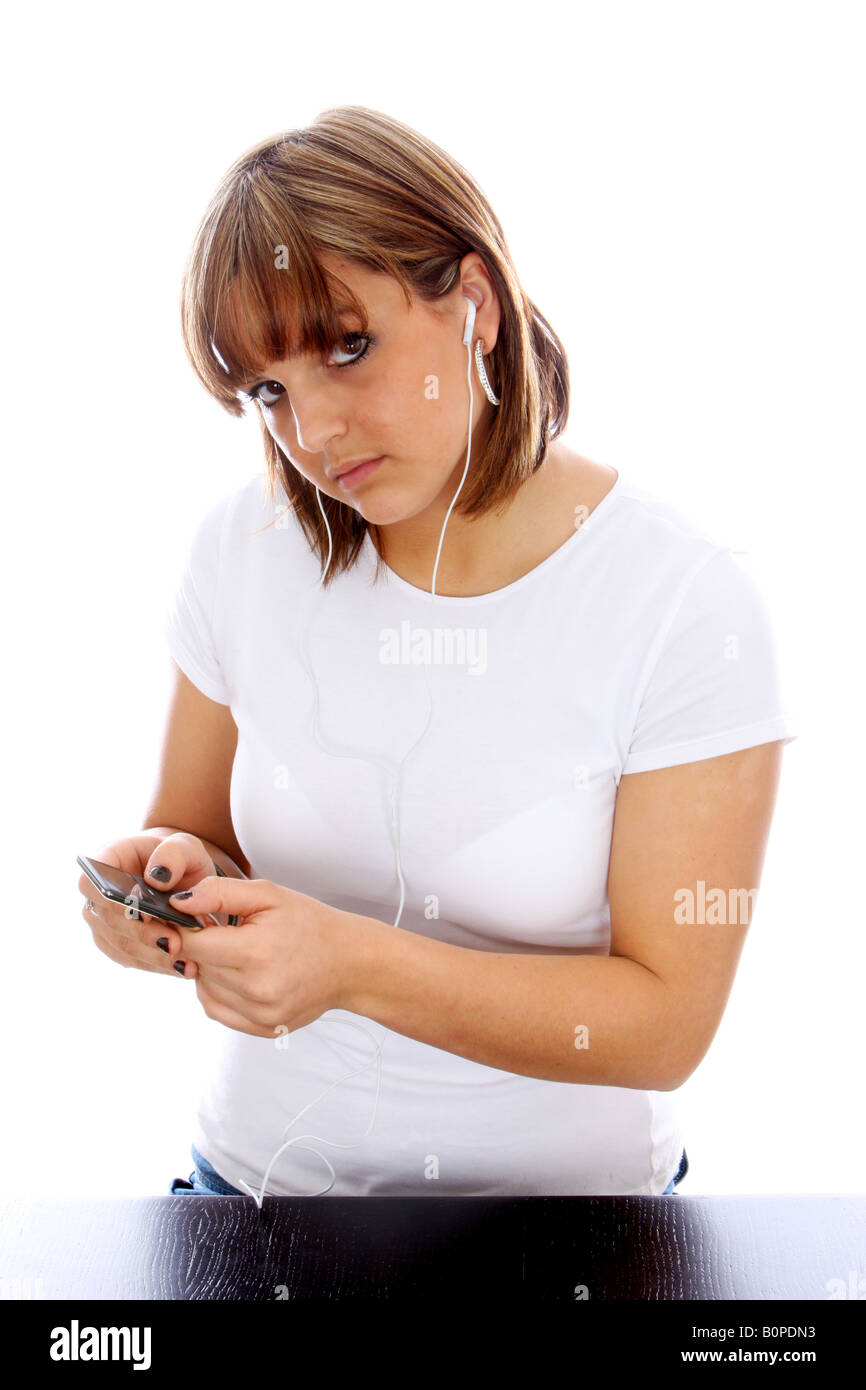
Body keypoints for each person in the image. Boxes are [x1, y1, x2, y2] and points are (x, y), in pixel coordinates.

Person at [78, 106, 797, 1201]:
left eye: (346, 347)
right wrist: (170, 893)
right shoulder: (244, 548)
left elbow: (665, 1025)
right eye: (266, 390)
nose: (309, 432)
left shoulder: (682, 600)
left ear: (474, 304)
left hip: (570, 1233)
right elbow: (205, 837)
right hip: (252, 1192)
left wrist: (351, 966)